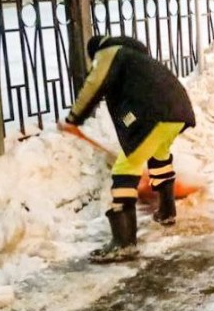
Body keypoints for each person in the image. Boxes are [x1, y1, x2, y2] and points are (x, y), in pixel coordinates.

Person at [60, 34, 195, 263]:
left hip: (153, 114)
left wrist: (74, 118)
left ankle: (124, 243)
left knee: (125, 167)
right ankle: (166, 212)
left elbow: (94, 84)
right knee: (159, 156)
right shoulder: (135, 57)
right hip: (178, 111)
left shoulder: (109, 53)